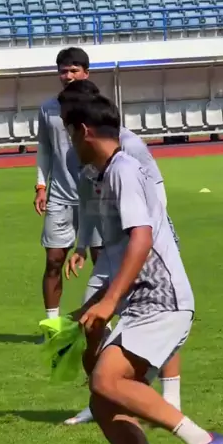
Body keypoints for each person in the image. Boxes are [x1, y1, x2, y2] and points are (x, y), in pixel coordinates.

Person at [60, 94, 223, 444]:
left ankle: (202, 441)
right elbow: (119, 254)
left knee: (105, 381)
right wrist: (94, 305)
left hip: (162, 298)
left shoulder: (123, 170)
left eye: (69, 133)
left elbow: (142, 238)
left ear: (84, 131)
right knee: (103, 399)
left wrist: (109, 301)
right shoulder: (103, 176)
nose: (69, 143)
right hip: (141, 302)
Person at [58, 79, 182, 425]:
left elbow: (155, 190)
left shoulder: (127, 147)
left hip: (144, 240)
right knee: (91, 316)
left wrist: (148, 237)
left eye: (69, 118)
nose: (66, 127)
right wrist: (83, 244)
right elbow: (87, 201)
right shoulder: (78, 152)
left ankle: (170, 399)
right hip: (113, 243)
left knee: (161, 316)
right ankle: (104, 394)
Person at [34, 48, 101, 324]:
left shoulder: (100, 106)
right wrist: (41, 186)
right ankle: (52, 325)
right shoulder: (48, 108)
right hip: (60, 196)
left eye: (74, 70)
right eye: (63, 71)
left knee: (102, 261)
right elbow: (45, 148)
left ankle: (102, 321)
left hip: (96, 196)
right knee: (53, 261)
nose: (68, 75)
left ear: (86, 73)